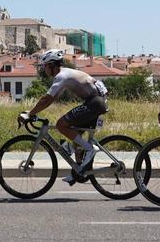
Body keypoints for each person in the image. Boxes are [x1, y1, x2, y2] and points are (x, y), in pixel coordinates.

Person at [18, 49, 109, 185]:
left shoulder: (62, 76)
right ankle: (78, 172)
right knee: (74, 137)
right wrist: (32, 111)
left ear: (51, 65)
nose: (44, 70)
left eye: (45, 66)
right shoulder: (64, 74)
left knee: (61, 124)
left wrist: (30, 114)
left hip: (94, 103)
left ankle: (90, 150)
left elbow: (47, 99)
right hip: (96, 101)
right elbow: (53, 98)